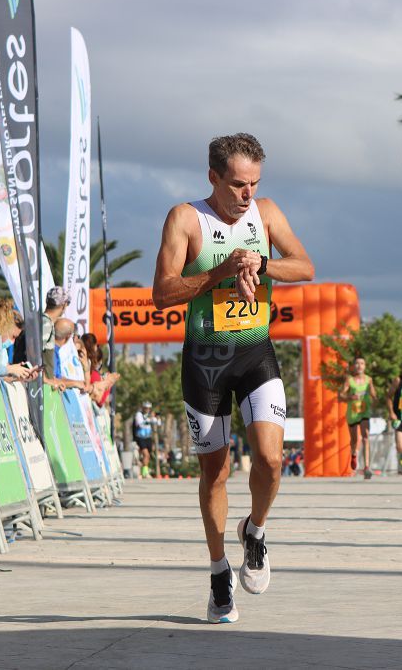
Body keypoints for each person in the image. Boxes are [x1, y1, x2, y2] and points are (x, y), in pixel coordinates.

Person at [151, 132, 314, 624]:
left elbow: (305, 266)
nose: (246, 194)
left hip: (254, 350)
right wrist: (221, 272)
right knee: (215, 472)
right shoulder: (185, 218)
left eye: (254, 183)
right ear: (213, 178)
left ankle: (256, 532)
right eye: (237, 184)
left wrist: (263, 264)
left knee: (269, 458)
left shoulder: (265, 213)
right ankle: (219, 572)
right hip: (206, 360)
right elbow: (161, 293)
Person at [341, 357, 376, 480]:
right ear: (353, 366)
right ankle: (354, 453)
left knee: (366, 437)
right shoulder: (349, 380)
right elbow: (341, 395)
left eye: (362, 363)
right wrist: (350, 397)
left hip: (364, 412)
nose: (359, 366)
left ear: (365, 366)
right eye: (357, 363)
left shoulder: (368, 380)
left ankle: (367, 467)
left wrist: (375, 400)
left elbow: (373, 394)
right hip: (353, 413)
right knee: (355, 440)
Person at [0, 297, 38, 383]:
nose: (13, 341)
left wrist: (20, 376)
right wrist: (11, 369)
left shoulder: (2, 350)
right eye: (13, 336)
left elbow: (2, 379)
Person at [133, 401, 158, 473]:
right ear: (143, 408)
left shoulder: (150, 415)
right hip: (140, 437)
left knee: (148, 455)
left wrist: (155, 417)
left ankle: (143, 467)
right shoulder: (139, 414)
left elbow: (157, 422)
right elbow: (140, 424)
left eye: (149, 408)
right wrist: (149, 419)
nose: (147, 410)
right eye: (146, 408)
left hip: (148, 437)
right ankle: (144, 473)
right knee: (146, 454)